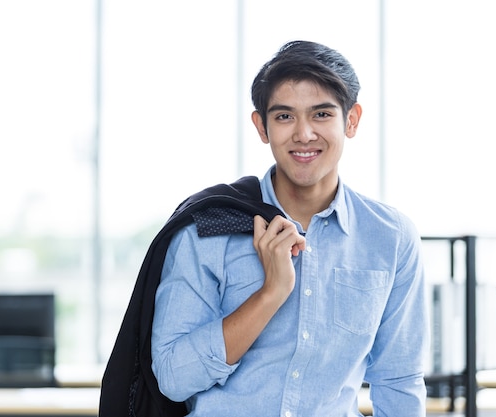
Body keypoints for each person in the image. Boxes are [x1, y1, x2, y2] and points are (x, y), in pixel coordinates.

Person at [148, 40, 429, 416]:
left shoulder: (390, 238)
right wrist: (270, 294)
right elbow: (172, 377)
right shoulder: (210, 229)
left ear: (352, 120)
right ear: (261, 126)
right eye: (284, 117)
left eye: (322, 114)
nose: (304, 134)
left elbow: (398, 382)